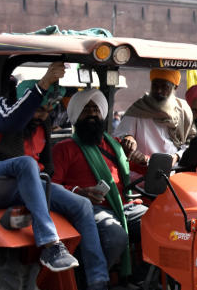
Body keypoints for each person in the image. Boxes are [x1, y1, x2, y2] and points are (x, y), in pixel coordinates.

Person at [0, 63, 114, 290]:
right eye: (39, 109)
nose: (42, 115)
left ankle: (97, 286)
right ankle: (50, 245)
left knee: (82, 206)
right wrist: (42, 84)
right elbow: (14, 121)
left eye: (49, 110)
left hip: (22, 185)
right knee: (26, 164)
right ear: (24, 101)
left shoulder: (41, 127)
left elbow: (47, 169)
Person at [52, 89, 147, 276]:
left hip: (123, 205)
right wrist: (79, 192)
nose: (92, 115)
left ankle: (144, 281)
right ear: (76, 115)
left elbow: (141, 168)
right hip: (89, 209)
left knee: (160, 225)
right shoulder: (63, 149)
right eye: (86, 110)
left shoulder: (116, 145)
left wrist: (142, 158)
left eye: (96, 110)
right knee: (116, 235)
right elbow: (52, 187)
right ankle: (96, 284)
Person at [114, 69, 194, 164]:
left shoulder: (184, 109)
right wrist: (128, 137)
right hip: (141, 173)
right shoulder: (139, 108)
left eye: (165, 87)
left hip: (174, 172)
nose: (159, 91)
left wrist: (177, 156)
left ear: (175, 87)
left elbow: (192, 141)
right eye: (155, 86)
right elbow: (119, 135)